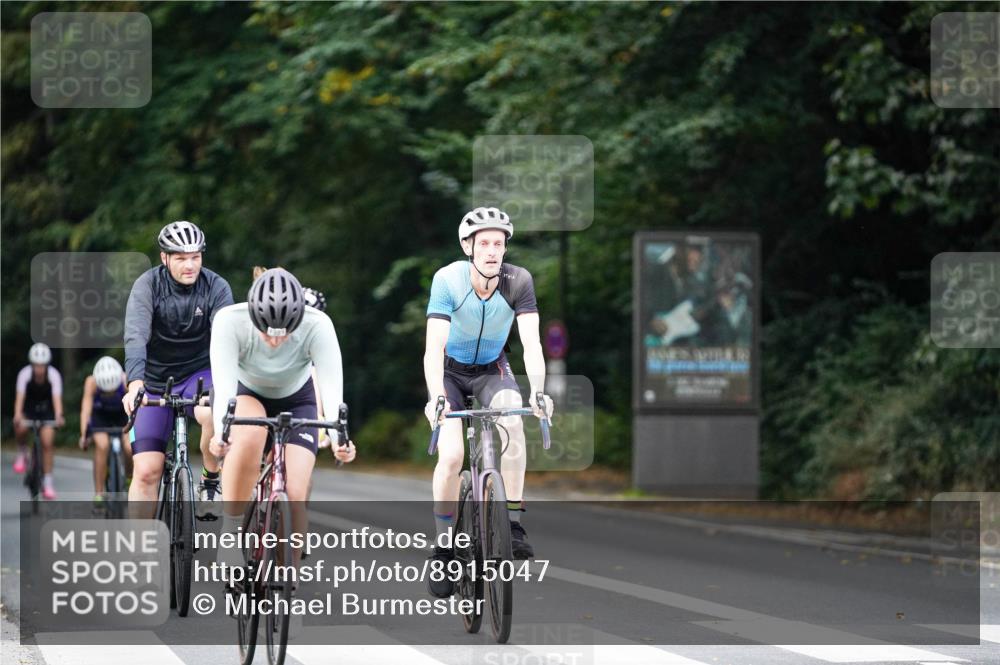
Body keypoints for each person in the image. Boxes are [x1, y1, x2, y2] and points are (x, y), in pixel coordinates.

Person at [423, 206, 554, 599]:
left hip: (492, 369)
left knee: (514, 424)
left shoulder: (518, 281)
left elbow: (531, 343)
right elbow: (433, 348)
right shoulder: (448, 279)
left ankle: (512, 523)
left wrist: (539, 392)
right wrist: (435, 398)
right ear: (469, 247)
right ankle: (445, 545)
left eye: (499, 243)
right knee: (450, 458)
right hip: (449, 371)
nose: (493, 251)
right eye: (485, 244)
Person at [209, 268, 356, 564]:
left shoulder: (318, 324)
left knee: (296, 491)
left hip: (296, 397)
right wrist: (220, 435)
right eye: (267, 331)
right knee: (250, 434)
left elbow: (330, 386)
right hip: (247, 391)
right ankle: (231, 529)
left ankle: (288, 582)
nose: (275, 341)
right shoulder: (229, 321)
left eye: (285, 332)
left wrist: (341, 438)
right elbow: (224, 388)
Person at [122, 220, 234, 518]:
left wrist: (227, 386)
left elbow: (227, 340)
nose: (190, 265)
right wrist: (135, 383)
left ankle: (210, 480)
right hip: (154, 380)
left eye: (195, 257)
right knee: (147, 471)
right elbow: (135, 335)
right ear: (164, 258)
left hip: (200, 373)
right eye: (181, 258)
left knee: (211, 411)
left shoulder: (216, 286)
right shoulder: (148, 285)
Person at [12, 343, 64, 499]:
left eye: (42, 365)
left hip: (47, 412)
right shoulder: (24, 374)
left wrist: (59, 415)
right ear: (32, 364)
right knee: (20, 427)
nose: (39, 369)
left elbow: (57, 399)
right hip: (29, 411)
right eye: (36, 365)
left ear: (47, 365)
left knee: (47, 442)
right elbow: (19, 398)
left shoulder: (54, 375)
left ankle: (47, 482)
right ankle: (22, 452)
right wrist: (17, 415)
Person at [79, 356, 130, 504]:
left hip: (122, 415)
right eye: (106, 391)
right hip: (100, 416)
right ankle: (99, 493)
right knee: (102, 446)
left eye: (113, 391)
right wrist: (84, 435)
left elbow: (137, 409)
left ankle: (129, 478)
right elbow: (85, 410)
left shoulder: (125, 380)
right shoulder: (91, 382)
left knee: (129, 447)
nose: (110, 394)